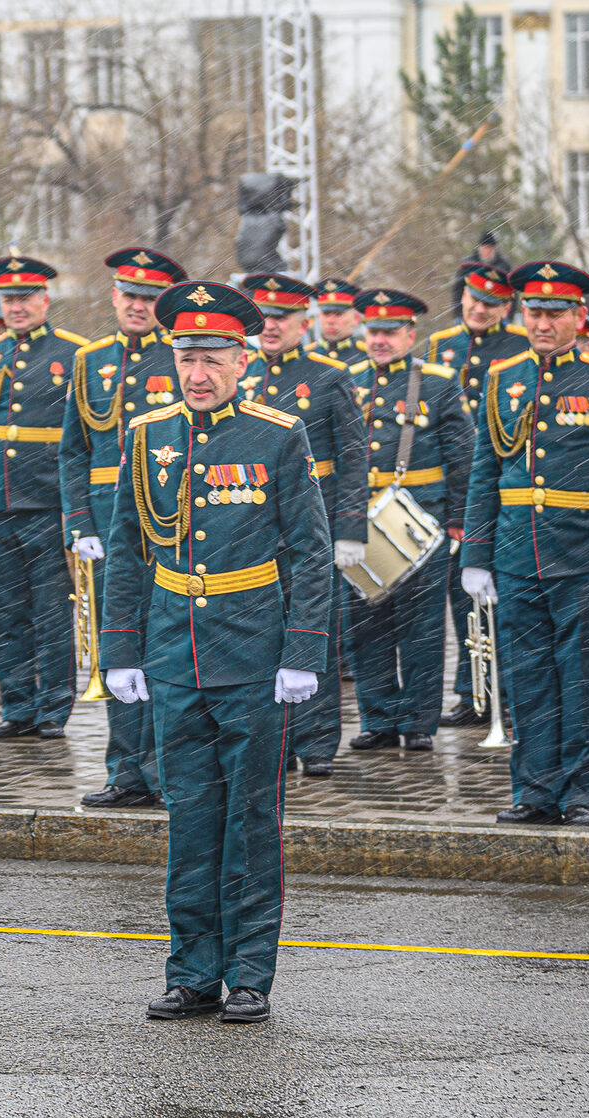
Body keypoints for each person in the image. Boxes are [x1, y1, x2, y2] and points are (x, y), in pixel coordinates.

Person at [101, 280, 331, 1025]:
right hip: (174, 653)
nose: (197, 375)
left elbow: (311, 552)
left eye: (213, 359)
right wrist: (122, 648)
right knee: (190, 816)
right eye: (186, 358)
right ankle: (193, 972)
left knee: (252, 819)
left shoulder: (276, 435)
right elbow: (129, 553)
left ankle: (250, 974)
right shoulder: (147, 434)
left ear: (244, 360)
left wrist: (303, 651)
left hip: (254, 653)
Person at [460, 261, 589, 827]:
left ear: (578, 316)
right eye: (534, 313)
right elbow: (484, 472)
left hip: (583, 555)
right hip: (518, 556)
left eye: (554, 314)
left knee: (584, 681)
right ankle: (535, 791)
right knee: (527, 679)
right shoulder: (503, 377)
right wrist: (476, 555)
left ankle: (584, 794)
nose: (542, 323)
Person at [61, 246, 187, 808]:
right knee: (118, 641)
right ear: (113, 297)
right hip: (108, 522)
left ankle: (166, 768)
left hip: (167, 518)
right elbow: (73, 451)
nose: (137, 306)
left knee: (165, 644)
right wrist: (78, 519)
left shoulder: (185, 356)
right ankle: (126, 771)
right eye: (129, 296)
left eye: (148, 297)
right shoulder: (90, 361)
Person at [237, 273, 366, 776]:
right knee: (261, 632)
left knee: (313, 629)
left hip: (313, 520)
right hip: (252, 521)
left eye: (282, 318)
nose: (271, 327)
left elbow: (354, 456)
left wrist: (351, 526)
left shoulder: (330, 375)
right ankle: (274, 738)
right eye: (264, 317)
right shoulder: (240, 376)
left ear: (304, 323)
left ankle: (315, 743)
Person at [0, 254, 89, 740]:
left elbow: (80, 435)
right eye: (9, 300)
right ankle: (16, 704)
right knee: (3, 606)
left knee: (51, 608)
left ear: (45, 300)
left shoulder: (75, 354)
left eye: (25, 299)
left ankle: (54, 707)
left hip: (47, 499)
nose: (16, 308)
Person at [343, 289, 471, 754]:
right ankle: (378, 717)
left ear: (410, 335)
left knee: (421, 628)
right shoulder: (347, 381)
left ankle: (418, 720)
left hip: (421, 521)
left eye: (390, 332)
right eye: (373, 331)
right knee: (365, 624)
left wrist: (458, 518)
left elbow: (462, 456)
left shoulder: (436, 383)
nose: (380, 340)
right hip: (360, 519)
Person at [427, 264, 529, 728]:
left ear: (506, 308)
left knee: (499, 598)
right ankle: (470, 691)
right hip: (452, 489)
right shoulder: (439, 346)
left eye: (491, 303)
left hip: (499, 485)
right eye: (474, 299)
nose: (480, 309)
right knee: (461, 600)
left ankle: (502, 691)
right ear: (463, 297)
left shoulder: (521, 348)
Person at [306, 278, 364, 363]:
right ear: (319, 316)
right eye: (326, 314)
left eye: (338, 314)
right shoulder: (306, 356)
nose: (330, 321)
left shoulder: (369, 358)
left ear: (356, 318)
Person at [450, 231, 513, 308]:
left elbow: (511, 292)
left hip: (495, 309)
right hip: (471, 309)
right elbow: (458, 290)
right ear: (479, 248)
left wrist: (508, 317)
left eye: (490, 248)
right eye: (485, 248)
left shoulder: (504, 265)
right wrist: (458, 314)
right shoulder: (468, 264)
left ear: (495, 249)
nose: (487, 252)